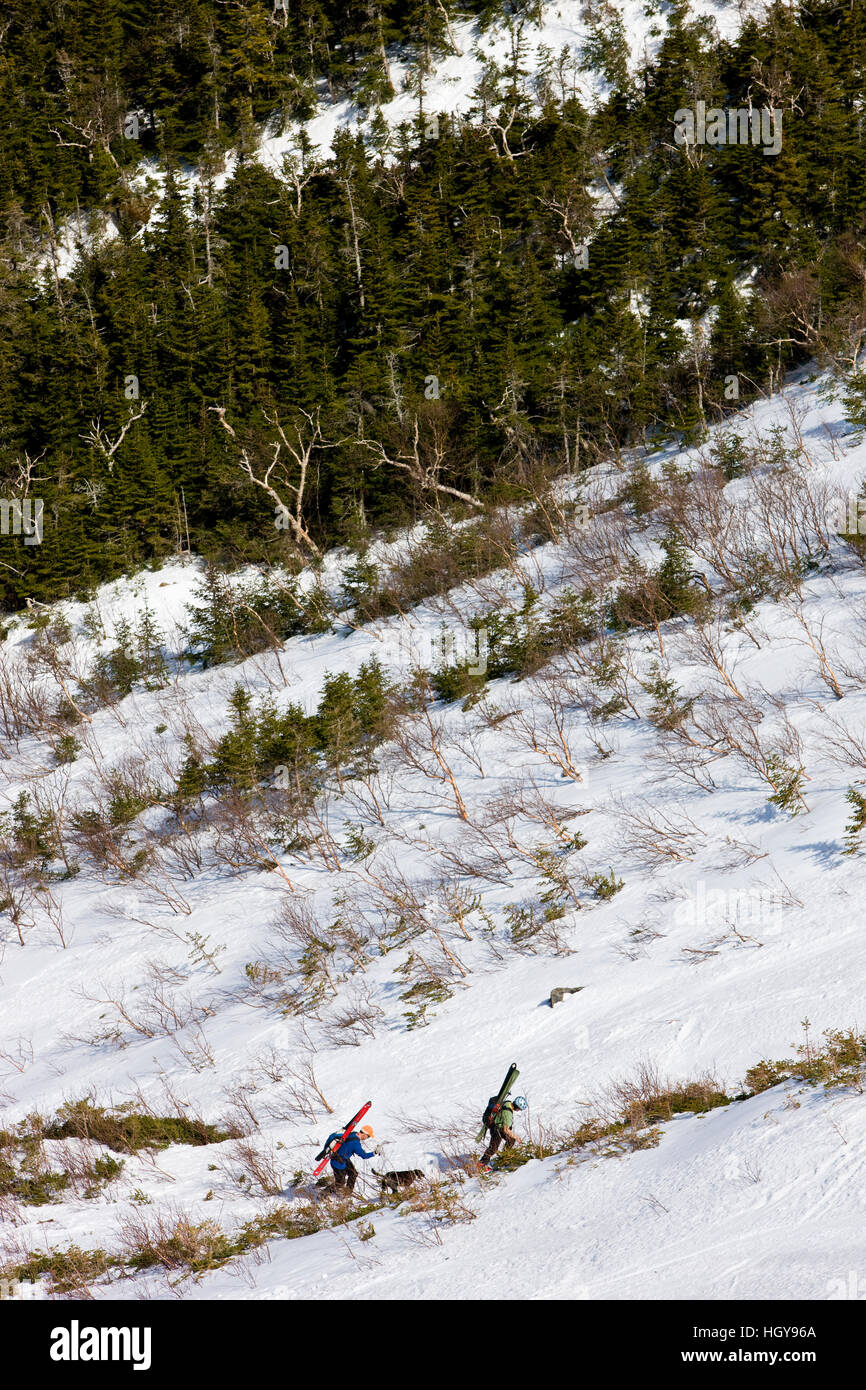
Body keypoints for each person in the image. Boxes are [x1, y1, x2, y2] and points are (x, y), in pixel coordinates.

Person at [328, 1123, 378, 1193]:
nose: (367, 1138)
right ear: (364, 1134)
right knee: (340, 1183)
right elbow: (364, 1156)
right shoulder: (355, 1143)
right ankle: (323, 1194)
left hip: (342, 1159)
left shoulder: (353, 1133)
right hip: (338, 1163)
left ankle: (348, 1192)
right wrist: (375, 1153)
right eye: (368, 1136)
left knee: (353, 1174)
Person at [480, 1095, 527, 1167]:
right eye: (519, 1109)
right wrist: (517, 1138)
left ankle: (504, 1157)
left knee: (511, 1140)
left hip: (499, 1127)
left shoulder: (508, 1103)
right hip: (496, 1128)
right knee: (493, 1148)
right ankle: (481, 1164)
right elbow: (506, 1129)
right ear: (517, 1107)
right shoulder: (508, 1112)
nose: (519, 1111)